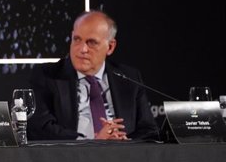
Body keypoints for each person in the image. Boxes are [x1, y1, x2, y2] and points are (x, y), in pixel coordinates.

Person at [27, 10, 159, 141]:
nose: (82, 49)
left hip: (123, 158)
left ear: (110, 47)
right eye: (77, 39)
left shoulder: (129, 77)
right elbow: (39, 127)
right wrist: (91, 141)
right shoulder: (47, 75)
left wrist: (123, 142)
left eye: (91, 42)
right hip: (72, 158)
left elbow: (149, 130)